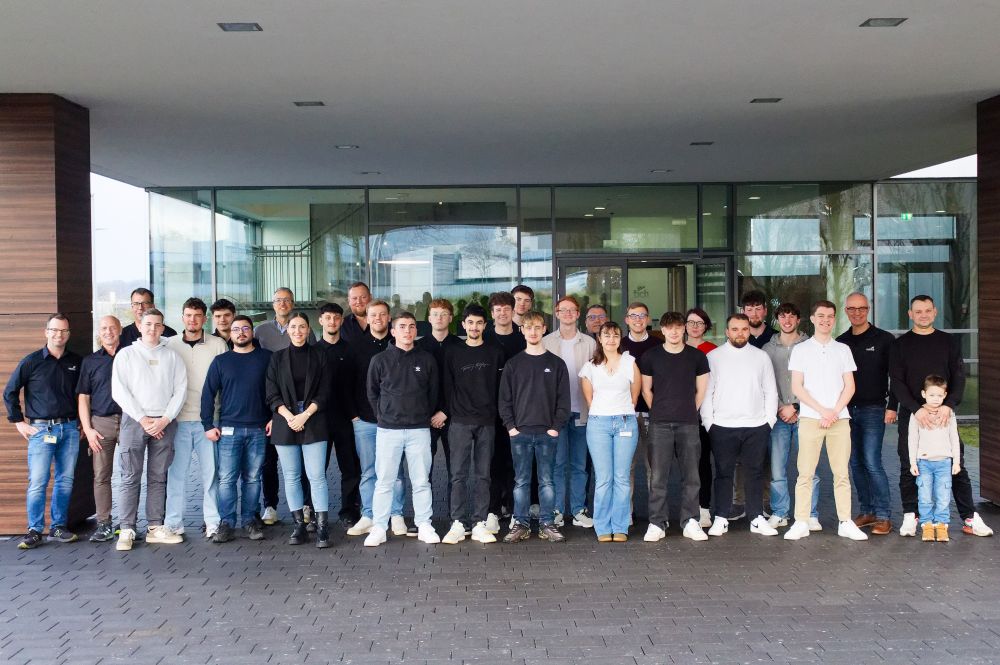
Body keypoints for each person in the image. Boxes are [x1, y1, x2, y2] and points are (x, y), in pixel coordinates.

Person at [890, 294, 993, 537]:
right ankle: (911, 516)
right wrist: (916, 409)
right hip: (913, 415)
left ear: (934, 312)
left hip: (943, 415)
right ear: (910, 314)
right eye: (918, 311)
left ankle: (969, 517)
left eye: (928, 310)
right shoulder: (900, 345)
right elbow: (897, 382)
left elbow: (959, 376)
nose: (923, 315)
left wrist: (949, 405)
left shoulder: (948, 341)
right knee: (908, 465)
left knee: (956, 464)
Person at [784, 300, 868, 541]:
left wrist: (834, 412)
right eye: (821, 316)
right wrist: (823, 411)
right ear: (812, 319)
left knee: (841, 474)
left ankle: (845, 521)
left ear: (834, 319)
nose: (825, 320)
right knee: (805, 473)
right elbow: (797, 387)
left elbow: (850, 386)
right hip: (811, 418)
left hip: (839, 420)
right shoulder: (801, 350)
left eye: (830, 316)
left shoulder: (843, 349)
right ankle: (801, 521)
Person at [110, 308, 187, 551]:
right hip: (135, 422)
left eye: (157, 325)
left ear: (163, 328)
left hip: (164, 422)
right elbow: (119, 391)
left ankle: (155, 527)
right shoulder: (126, 355)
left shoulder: (172, 356)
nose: (153, 328)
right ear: (140, 326)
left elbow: (180, 390)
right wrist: (143, 419)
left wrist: (165, 419)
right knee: (130, 476)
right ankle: (127, 528)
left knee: (158, 476)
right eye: (148, 324)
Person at [4, 314, 82, 549]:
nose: (59, 335)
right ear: (46, 332)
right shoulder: (31, 362)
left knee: (65, 481)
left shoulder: (76, 362)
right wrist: (19, 422)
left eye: (64, 331)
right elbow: (9, 392)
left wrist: (83, 422)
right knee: (38, 481)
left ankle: (58, 527)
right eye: (55, 330)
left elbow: (84, 395)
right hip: (40, 430)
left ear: (68, 334)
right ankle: (35, 530)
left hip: (70, 429)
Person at [363, 312, 441, 547]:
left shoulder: (427, 359)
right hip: (389, 430)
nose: (408, 331)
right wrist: (383, 416)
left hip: (419, 430)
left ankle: (424, 525)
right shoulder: (379, 360)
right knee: (384, 482)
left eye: (412, 326)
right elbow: (372, 393)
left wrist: (423, 415)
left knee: (421, 481)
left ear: (416, 331)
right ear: (393, 331)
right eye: (403, 327)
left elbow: (433, 393)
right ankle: (379, 527)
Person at [700, 314, 779, 538]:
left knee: (754, 473)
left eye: (744, 329)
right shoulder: (714, 357)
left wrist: (768, 421)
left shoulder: (761, 357)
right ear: (727, 332)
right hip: (722, 426)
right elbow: (707, 392)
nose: (740, 333)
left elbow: (770, 391)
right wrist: (709, 423)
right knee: (723, 474)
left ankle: (756, 518)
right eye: (735, 329)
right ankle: (721, 517)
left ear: (749, 331)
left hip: (756, 426)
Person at [499, 311, 570, 543]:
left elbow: (564, 400)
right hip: (520, 433)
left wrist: (555, 427)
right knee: (521, 481)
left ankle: (547, 523)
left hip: (547, 433)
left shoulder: (556, 364)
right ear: (522, 330)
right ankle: (521, 524)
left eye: (537, 327)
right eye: (528, 327)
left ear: (544, 329)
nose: (533, 332)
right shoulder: (513, 364)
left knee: (547, 481)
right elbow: (504, 400)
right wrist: (511, 427)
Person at [640, 312, 711, 542]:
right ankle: (657, 523)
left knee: (691, 476)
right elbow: (646, 390)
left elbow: (701, 390)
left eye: (678, 327)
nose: (674, 332)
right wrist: (659, 411)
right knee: (658, 477)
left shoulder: (697, 357)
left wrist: (689, 410)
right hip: (659, 424)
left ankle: (690, 521)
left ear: (684, 329)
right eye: (669, 328)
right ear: (662, 329)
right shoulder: (651, 356)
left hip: (688, 423)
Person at [201, 315, 272, 543]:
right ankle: (227, 523)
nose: (241, 333)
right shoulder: (221, 361)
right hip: (229, 429)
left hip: (259, 429)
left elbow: (276, 390)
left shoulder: (267, 358)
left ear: (252, 332)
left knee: (253, 478)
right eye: (236, 329)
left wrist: (274, 418)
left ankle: (249, 520)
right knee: (227, 479)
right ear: (230, 334)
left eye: (245, 328)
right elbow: (208, 394)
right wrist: (207, 425)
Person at [264, 312, 332, 547]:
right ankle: (299, 527)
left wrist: (304, 415)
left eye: (302, 326)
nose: (298, 331)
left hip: (314, 419)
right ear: (288, 330)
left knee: (317, 476)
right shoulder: (277, 358)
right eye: (293, 327)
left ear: (308, 329)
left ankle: (322, 528)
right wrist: (290, 416)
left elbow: (325, 391)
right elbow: (271, 393)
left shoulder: (320, 355)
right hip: (285, 420)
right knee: (291, 476)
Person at [441, 304, 506, 544]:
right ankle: (458, 522)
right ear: (463, 325)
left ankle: (479, 523)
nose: (475, 327)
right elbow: (447, 386)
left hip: (487, 422)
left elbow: (501, 388)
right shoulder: (452, 352)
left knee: (483, 475)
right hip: (459, 422)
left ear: (485, 325)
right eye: (470, 323)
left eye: (479, 323)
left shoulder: (495, 352)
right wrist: (449, 412)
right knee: (458, 475)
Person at [164, 297, 228, 539]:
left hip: (208, 422)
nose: (192, 320)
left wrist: (219, 419)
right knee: (176, 475)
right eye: (188, 315)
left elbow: (224, 384)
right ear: (182, 318)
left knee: (211, 476)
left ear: (205, 318)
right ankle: (173, 523)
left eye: (197, 315)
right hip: (178, 420)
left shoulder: (218, 344)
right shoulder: (169, 345)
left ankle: (212, 522)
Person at [345, 299, 408, 538]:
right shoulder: (355, 347)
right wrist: (353, 415)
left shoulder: (399, 345)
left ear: (389, 318)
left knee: (396, 472)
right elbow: (347, 384)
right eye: (373, 315)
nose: (378, 319)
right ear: (367, 318)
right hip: (365, 420)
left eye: (382, 314)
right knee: (369, 470)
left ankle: (396, 514)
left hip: (395, 423)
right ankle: (369, 515)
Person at [254, 287, 316, 526]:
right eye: (278, 300)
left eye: (287, 300)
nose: (282, 304)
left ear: (293, 303)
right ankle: (270, 505)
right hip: (272, 402)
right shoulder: (260, 331)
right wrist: (276, 411)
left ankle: (306, 506)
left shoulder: (304, 330)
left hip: (299, 407)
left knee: (303, 463)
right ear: (273, 304)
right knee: (269, 461)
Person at [837, 292, 896, 536]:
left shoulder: (884, 339)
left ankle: (883, 515)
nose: (857, 313)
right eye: (852, 308)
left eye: (861, 308)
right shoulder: (841, 342)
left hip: (873, 409)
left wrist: (892, 406)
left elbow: (896, 376)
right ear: (846, 311)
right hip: (847, 411)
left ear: (868, 310)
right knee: (855, 463)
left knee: (872, 462)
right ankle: (867, 510)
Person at [581, 321, 641, 542]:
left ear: (620, 339)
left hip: (625, 421)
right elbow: (589, 399)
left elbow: (634, 396)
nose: (611, 339)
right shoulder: (590, 366)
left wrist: (620, 410)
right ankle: (603, 526)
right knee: (604, 478)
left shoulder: (630, 362)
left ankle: (620, 526)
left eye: (615, 335)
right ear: (600, 338)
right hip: (599, 424)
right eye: (606, 335)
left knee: (622, 478)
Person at [762, 303, 820, 530]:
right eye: (783, 316)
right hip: (778, 418)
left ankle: (810, 514)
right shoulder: (767, 349)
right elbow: (765, 384)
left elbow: (816, 381)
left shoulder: (811, 346)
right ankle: (780, 512)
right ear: (777, 320)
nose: (787, 321)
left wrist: (795, 406)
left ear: (798, 319)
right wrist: (781, 407)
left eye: (791, 316)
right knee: (777, 470)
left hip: (807, 415)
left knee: (809, 468)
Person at [543, 295, 596, 528]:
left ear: (578, 314)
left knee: (579, 465)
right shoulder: (546, 342)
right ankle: (556, 510)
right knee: (557, 464)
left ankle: (578, 510)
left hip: (581, 411)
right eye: (562, 310)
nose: (567, 314)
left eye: (571, 310)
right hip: (555, 414)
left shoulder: (590, 343)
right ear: (556, 314)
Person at [314, 303, 362, 527]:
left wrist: (356, 415)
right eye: (328, 318)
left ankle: (348, 511)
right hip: (319, 420)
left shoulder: (351, 351)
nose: (332, 322)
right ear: (320, 321)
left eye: (336, 318)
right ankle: (315, 512)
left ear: (342, 321)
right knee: (317, 470)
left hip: (346, 419)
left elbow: (358, 385)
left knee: (350, 468)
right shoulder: (313, 351)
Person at [77, 315, 123, 543]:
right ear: (99, 332)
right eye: (104, 328)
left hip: (130, 421)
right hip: (101, 424)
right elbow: (83, 397)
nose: (108, 332)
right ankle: (104, 524)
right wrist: (88, 428)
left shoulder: (131, 355)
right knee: (102, 476)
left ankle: (129, 523)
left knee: (131, 475)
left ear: (120, 330)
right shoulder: (90, 361)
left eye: (112, 328)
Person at [416, 298, 462, 510]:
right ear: (429, 318)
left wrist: (445, 411)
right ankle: (424, 516)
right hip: (425, 418)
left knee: (456, 471)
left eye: (444, 314)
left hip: (454, 417)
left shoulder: (460, 346)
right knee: (424, 471)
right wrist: (429, 414)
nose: (439, 318)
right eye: (435, 314)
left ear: (451, 318)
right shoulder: (419, 347)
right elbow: (416, 385)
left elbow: (463, 385)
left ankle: (455, 516)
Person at [484, 291, 524, 523]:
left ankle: (513, 506)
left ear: (513, 311)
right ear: (492, 314)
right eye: (497, 310)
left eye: (506, 309)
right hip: (490, 410)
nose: (502, 313)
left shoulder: (522, 338)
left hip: (518, 410)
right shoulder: (485, 338)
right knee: (492, 461)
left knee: (515, 461)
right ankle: (493, 508)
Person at [621, 302, 661, 521]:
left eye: (642, 315)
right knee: (626, 467)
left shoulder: (658, 344)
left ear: (647, 319)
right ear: (626, 320)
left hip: (652, 414)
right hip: (625, 414)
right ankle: (626, 514)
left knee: (653, 467)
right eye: (633, 316)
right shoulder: (618, 344)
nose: (638, 320)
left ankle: (656, 515)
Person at [909, 375, 961, 542]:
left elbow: (954, 438)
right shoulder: (917, 415)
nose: (935, 399)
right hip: (923, 463)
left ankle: (941, 525)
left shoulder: (949, 414)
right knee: (924, 496)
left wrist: (956, 462)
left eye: (939, 395)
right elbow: (912, 440)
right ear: (924, 394)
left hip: (944, 463)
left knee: (943, 496)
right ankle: (927, 526)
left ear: (945, 395)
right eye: (932, 395)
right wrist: (912, 462)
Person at [685, 307, 717, 526]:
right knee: (685, 465)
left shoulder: (713, 351)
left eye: (700, 323)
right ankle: (687, 508)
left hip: (706, 415)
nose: (695, 327)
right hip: (682, 414)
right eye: (691, 322)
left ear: (706, 326)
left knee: (703, 462)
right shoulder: (676, 348)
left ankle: (704, 508)